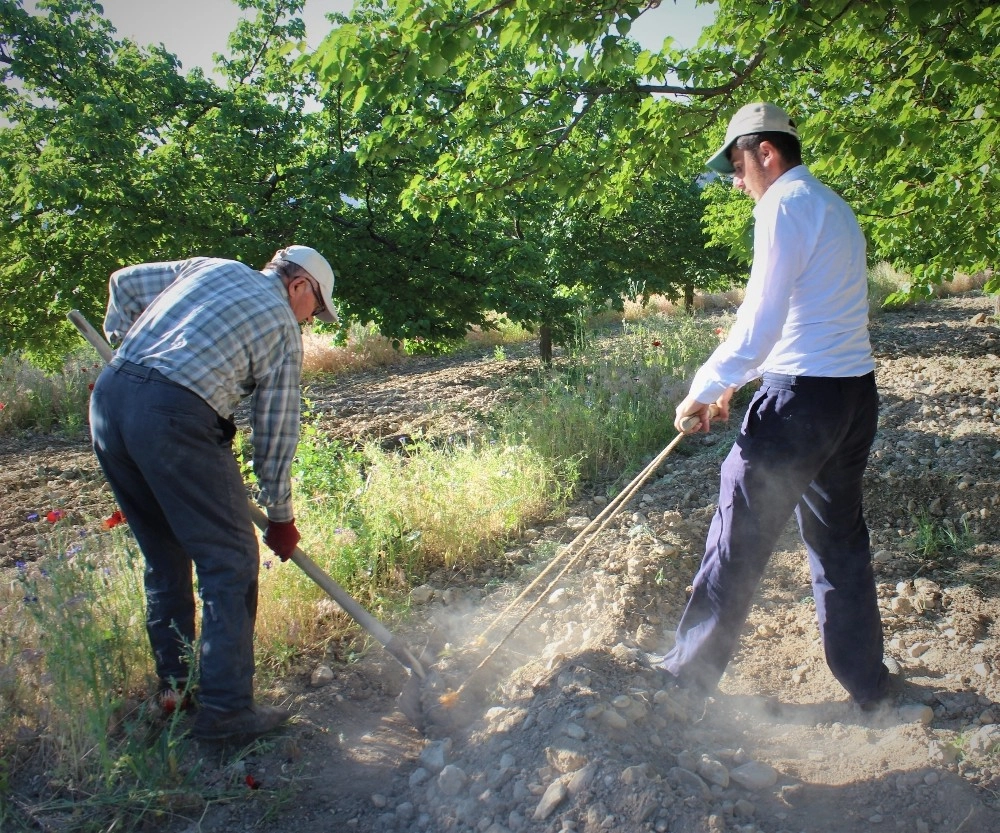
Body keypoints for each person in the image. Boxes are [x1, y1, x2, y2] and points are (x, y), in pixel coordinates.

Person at [655, 102, 891, 709]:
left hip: (800, 406)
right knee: (839, 543)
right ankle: (870, 686)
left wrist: (706, 388)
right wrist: (736, 385)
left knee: (738, 532)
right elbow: (803, 317)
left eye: (738, 166)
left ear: (767, 152)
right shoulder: (833, 207)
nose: (737, 182)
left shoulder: (780, 204)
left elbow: (760, 318)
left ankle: (683, 683)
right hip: (851, 398)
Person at [89, 245, 337, 740]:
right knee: (228, 561)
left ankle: (175, 688)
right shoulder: (282, 327)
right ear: (299, 286)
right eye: (317, 309)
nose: (312, 321)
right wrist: (281, 516)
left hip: (111, 399)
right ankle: (226, 712)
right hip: (174, 417)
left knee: (164, 554)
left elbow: (124, 281)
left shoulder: (211, 267)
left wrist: (126, 344)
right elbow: (275, 434)